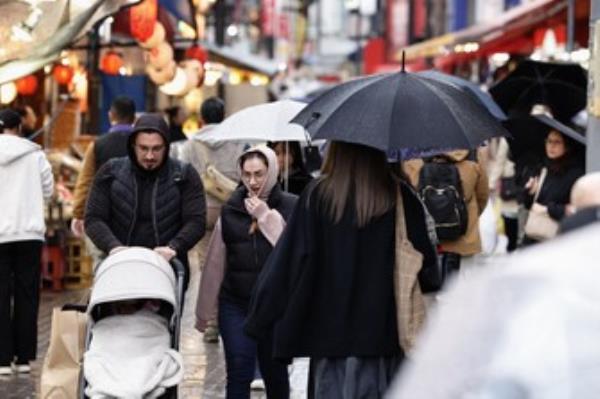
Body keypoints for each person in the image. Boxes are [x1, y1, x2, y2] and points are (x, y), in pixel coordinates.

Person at [244, 141, 438, 398]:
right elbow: (429, 272)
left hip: (329, 344)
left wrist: (258, 319)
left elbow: (288, 262)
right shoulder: (400, 197)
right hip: (383, 340)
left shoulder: (317, 196)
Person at [195, 145, 296, 399]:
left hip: (274, 307)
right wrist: (204, 313)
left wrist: (266, 217)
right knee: (239, 371)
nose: (253, 182)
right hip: (236, 304)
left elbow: (294, 254)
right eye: (247, 174)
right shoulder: (231, 209)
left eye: (259, 174)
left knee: (275, 374)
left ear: (272, 172)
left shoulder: (291, 206)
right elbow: (215, 263)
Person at [84, 113, 206, 289]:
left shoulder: (184, 175)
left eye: (157, 149)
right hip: (120, 267)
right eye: (143, 148)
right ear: (133, 146)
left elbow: (196, 221)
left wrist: (173, 247)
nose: (150, 156)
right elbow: (94, 218)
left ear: (166, 146)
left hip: (166, 268)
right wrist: (113, 247)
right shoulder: (110, 172)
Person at [0, 108, 54, 375]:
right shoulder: (35, 155)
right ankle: (23, 359)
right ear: (20, 128)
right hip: (29, 234)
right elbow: (49, 190)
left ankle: (1, 360)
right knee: (27, 294)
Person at [404, 149, 489, 274]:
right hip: (464, 239)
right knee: (463, 289)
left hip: (426, 241)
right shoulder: (473, 153)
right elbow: (483, 195)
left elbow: (409, 196)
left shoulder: (413, 154)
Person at [172, 97, 246, 229]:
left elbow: (182, 178)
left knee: (201, 249)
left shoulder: (190, 145)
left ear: (201, 117)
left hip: (200, 209)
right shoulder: (238, 143)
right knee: (231, 248)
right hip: (232, 207)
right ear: (224, 116)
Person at [71, 96, 136, 239]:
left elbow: (86, 181)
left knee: (105, 257)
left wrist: (78, 213)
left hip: (106, 215)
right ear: (134, 118)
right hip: (137, 215)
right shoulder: (142, 145)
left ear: (111, 115)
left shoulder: (97, 145)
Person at [521, 129, 584, 245]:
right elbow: (529, 205)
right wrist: (530, 192)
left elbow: (576, 209)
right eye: (549, 141)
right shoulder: (543, 167)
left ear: (567, 146)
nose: (551, 146)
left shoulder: (576, 173)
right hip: (532, 236)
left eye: (557, 142)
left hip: (558, 240)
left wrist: (547, 209)